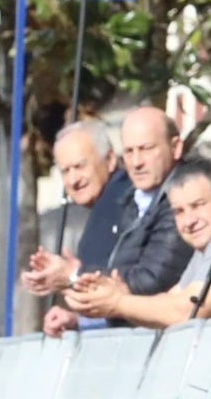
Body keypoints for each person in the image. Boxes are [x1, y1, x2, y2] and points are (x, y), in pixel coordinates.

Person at [65, 158, 211, 327]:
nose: (189, 221)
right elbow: (171, 300)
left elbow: (188, 308)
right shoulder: (206, 248)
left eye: (198, 205)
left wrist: (117, 303)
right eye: (179, 211)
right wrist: (119, 297)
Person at [42, 107, 193, 336]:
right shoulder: (131, 203)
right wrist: (79, 321)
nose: (136, 162)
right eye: (129, 152)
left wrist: (75, 276)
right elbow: (121, 280)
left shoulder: (182, 197)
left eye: (146, 149)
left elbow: (149, 282)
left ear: (176, 147)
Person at [24, 120, 132, 295]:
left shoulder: (119, 199)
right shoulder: (104, 204)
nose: (74, 180)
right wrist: (73, 319)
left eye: (80, 166)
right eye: (65, 171)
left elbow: (121, 285)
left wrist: (71, 275)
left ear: (110, 159)